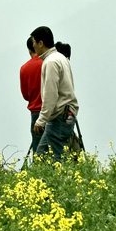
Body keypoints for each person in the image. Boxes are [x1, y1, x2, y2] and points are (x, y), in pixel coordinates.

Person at [31, 26, 80, 162]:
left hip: (59, 117)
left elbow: (50, 94)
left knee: (56, 161)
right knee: (40, 158)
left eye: (34, 42)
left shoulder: (51, 62)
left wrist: (41, 120)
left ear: (41, 43)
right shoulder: (60, 57)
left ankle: (63, 183)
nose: (33, 45)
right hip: (67, 114)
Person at [20, 37, 43, 153]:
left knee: (38, 151)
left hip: (35, 113)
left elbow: (25, 95)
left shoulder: (24, 68)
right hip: (53, 111)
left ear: (29, 50)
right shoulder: (47, 63)